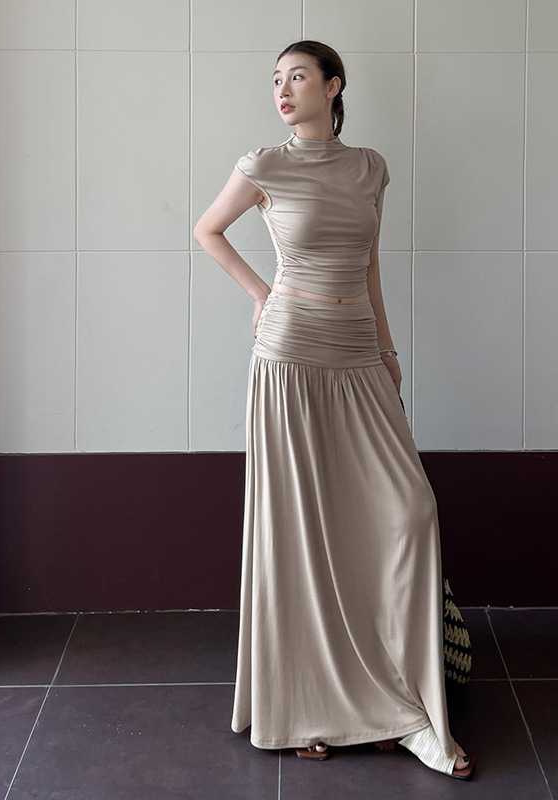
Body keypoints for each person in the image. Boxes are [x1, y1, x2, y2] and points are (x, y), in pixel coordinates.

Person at [193, 40, 475, 782]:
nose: (283, 91)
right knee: (299, 529)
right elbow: (206, 230)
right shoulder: (264, 165)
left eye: (298, 77)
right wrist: (260, 294)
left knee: (407, 510)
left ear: (333, 85)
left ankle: (400, 705)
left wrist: (386, 347)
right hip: (290, 351)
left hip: (356, 350)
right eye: (276, 81)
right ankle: (303, 707)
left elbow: (370, 262)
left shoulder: (370, 168)